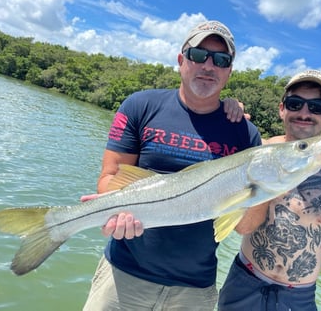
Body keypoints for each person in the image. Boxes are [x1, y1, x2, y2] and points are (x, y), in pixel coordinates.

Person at [82, 20, 261, 311]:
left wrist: (270, 186)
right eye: (199, 55)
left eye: (221, 60)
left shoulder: (245, 133)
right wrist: (117, 211)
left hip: (194, 291)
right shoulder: (139, 106)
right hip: (123, 278)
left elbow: (245, 225)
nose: (208, 66)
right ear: (181, 60)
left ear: (229, 71)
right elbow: (111, 176)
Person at [218, 70, 321, 311]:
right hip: (243, 281)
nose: (305, 113)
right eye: (295, 104)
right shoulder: (256, 151)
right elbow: (238, 225)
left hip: (298, 298)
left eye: (316, 106)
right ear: (282, 109)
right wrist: (226, 108)